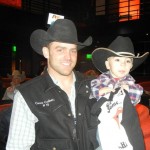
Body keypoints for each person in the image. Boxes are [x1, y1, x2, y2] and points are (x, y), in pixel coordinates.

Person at [6, 19, 98, 150]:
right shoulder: (27, 95)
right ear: (46, 52)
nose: (68, 57)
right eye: (60, 49)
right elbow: (17, 147)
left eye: (73, 50)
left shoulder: (93, 86)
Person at [90, 36, 149, 150]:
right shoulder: (99, 81)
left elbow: (137, 94)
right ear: (108, 64)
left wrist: (127, 89)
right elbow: (92, 93)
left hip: (125, 128)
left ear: (131, 66)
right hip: (103, 129)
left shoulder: (131, 84)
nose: (123, 64)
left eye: (127, 61)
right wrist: (100, 91)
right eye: (117, 60)